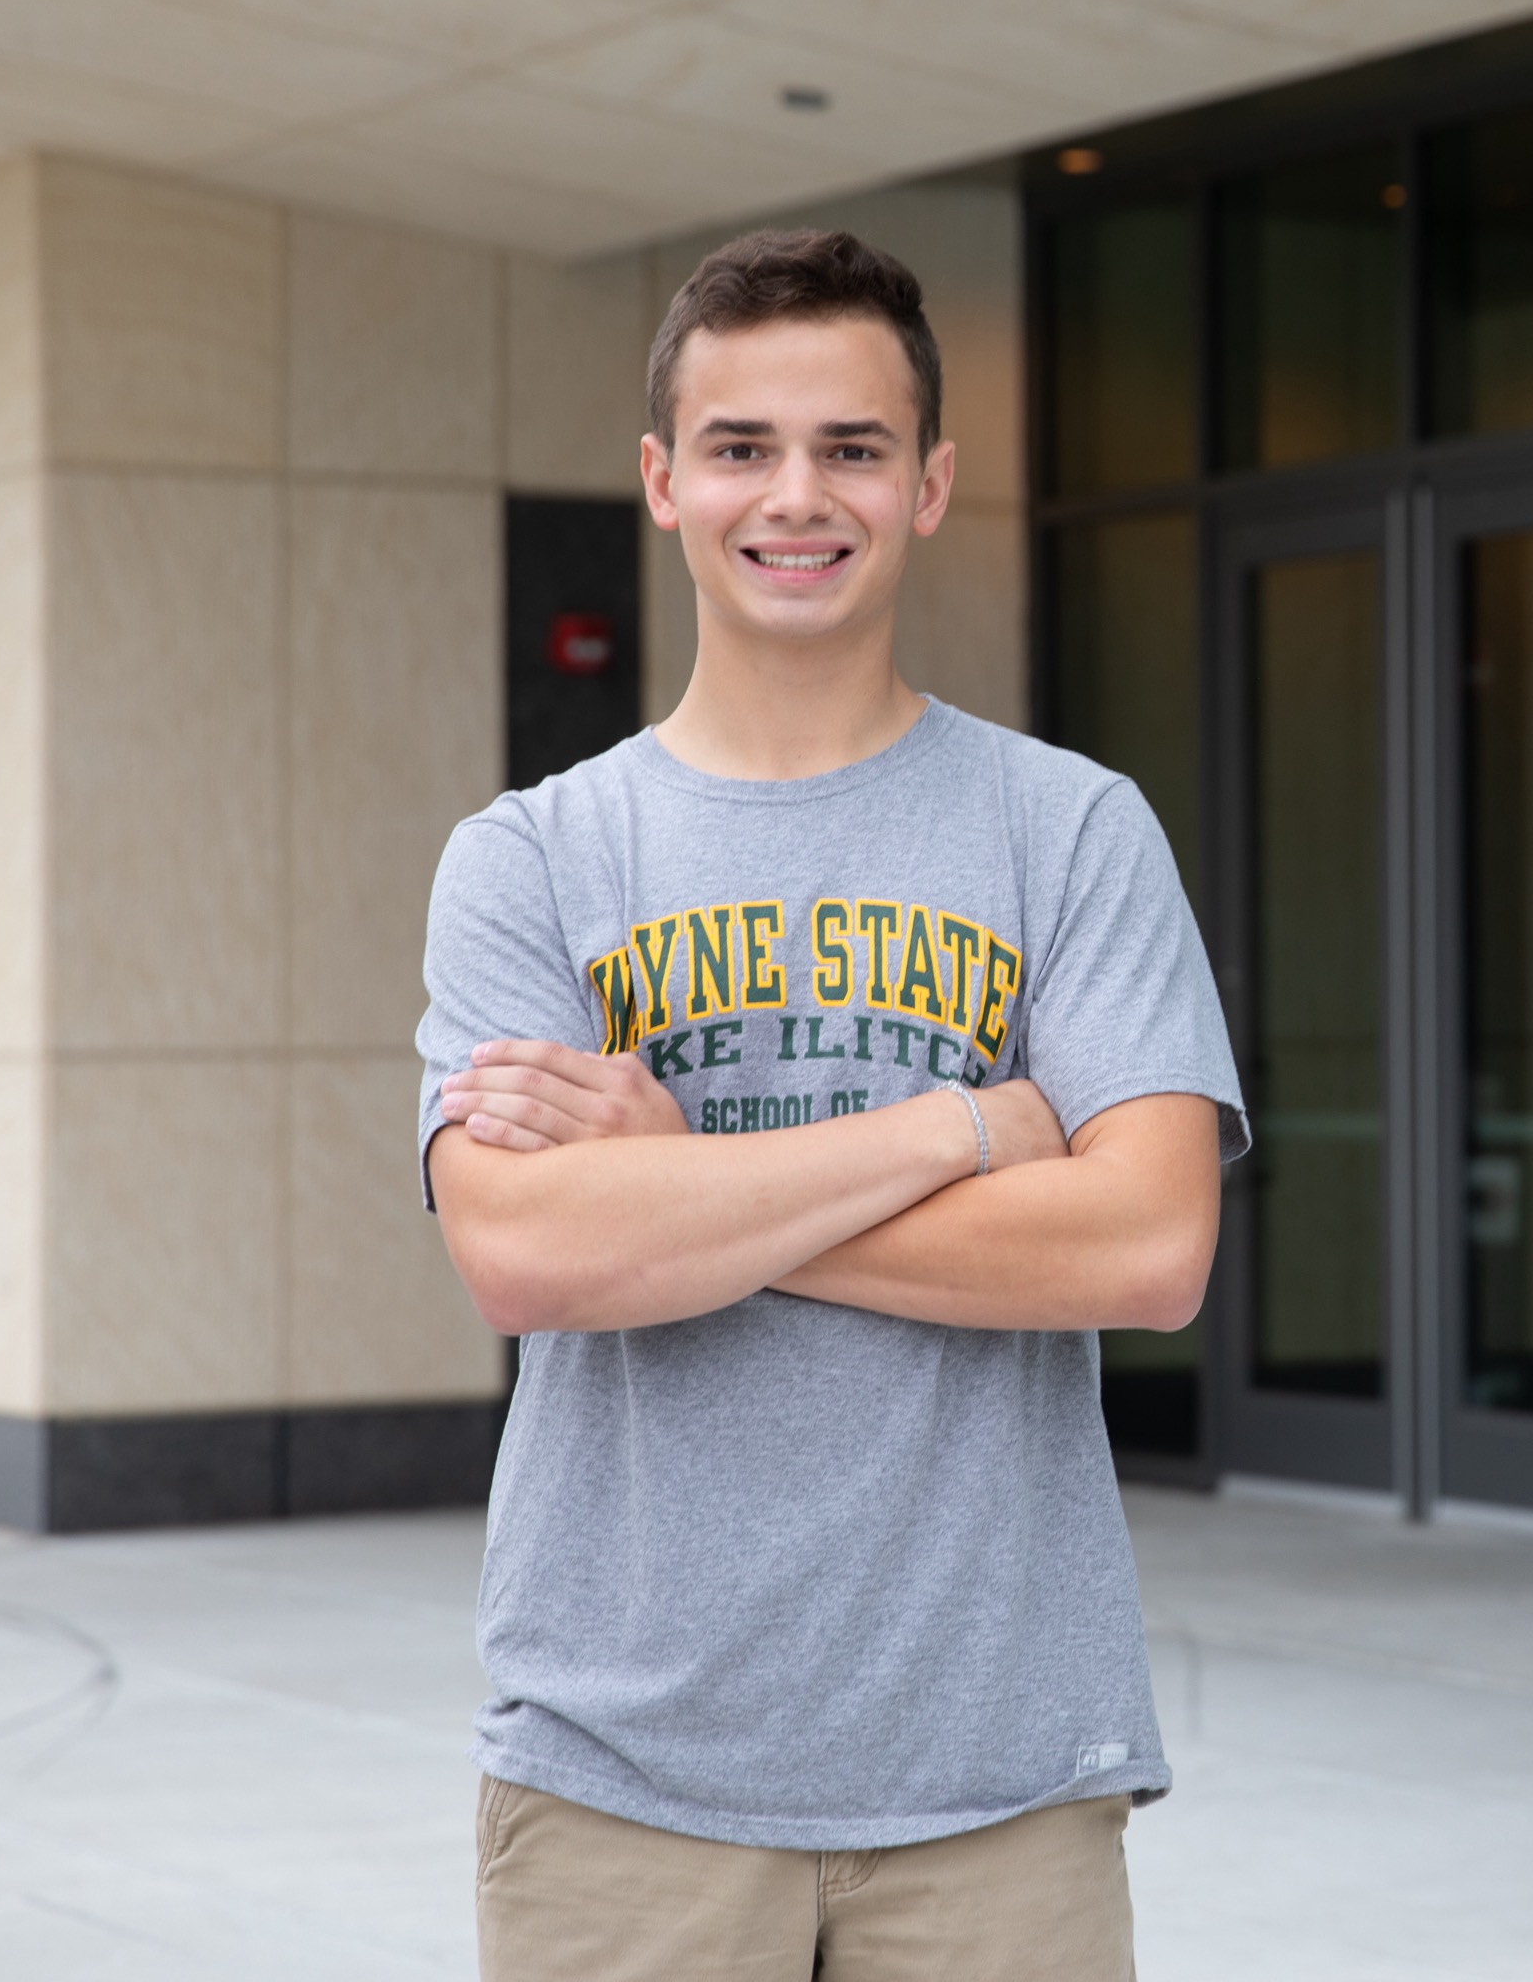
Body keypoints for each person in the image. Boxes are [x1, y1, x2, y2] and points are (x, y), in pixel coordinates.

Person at [415, 226, 1245, 1982]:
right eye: (742, 447)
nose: (798, 496)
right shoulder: (530, 859)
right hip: (619, 1783)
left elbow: (1153, 1241)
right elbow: (526, 1259)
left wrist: (681, 1191)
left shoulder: (1072, 832)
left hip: (999, 1788)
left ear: (931, 483)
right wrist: (965, 1129)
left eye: (852, 447)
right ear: (661, 482)